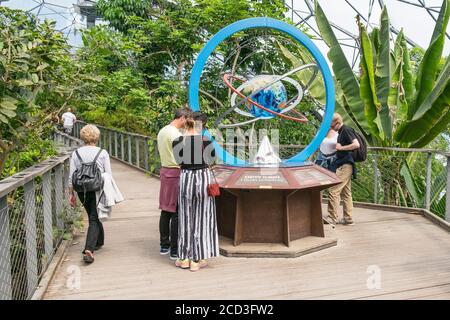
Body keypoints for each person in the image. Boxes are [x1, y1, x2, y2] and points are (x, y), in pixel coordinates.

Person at [172, 114, 219, 272]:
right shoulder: (206, 141)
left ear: (187, 125)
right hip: (202, 178)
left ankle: (184, 258)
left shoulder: (178, 141)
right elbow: (212, 160)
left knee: (185, 217)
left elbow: (179, 162)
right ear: (200, 126)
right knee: (202, 217)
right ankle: (197, 259)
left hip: (186, 178)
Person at [69, 124, 112, 263]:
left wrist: (71, 194)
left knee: (92, 214)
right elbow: (108, 174)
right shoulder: (102, 153)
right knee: (94, 217)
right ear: (97, 136)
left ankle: (99, 241)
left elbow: (71, 176)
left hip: (82, 190)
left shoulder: (76, 153)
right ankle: (89, 249)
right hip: (97, 188)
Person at [157, 108, 190, 260]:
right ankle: (175, 249)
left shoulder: (163, 131)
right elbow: (183, 157)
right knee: (176, 212)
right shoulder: (176, 135)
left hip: (165, 171)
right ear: (182, 118)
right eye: (187, 119)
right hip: (176, 173)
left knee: (165, 210)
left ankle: (164, 244)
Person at [327, 113, 360, 226]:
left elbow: (356, 145)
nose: (331, 128)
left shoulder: (345, 130)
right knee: (346, 192)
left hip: (345, 165)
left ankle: (332, 217)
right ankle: (348, 218)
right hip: (345, 164)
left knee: (333, 190)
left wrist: (341, 148)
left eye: (332, 126)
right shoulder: (342, 132)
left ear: (337, 123)